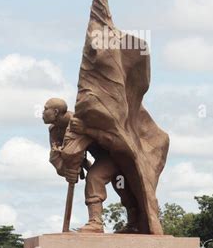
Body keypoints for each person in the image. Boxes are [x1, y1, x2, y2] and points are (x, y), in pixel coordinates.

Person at [42, 97, 140, 233]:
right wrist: (67, 171)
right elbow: (57, 155)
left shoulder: (82, 119)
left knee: (98, 179)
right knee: (121, 187)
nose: (42, 112)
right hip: (99, 159)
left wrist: (86, 131)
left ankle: (97, 223)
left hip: (114, 156)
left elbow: (112, 136)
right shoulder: (54, 130)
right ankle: (133, 224)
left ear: (56, 112)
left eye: (46, 109)